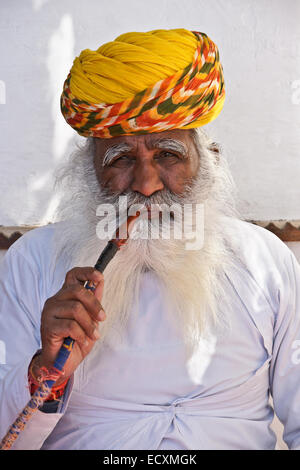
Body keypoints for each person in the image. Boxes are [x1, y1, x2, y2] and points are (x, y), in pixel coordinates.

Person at [1, 28, 300, 451]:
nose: (144, 184)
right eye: (120, 159)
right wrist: (45, 367)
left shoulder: (264, 261)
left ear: (208, 161)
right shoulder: (32, 263)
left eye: (167, 155)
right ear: (89, 173)